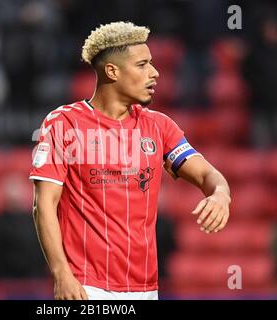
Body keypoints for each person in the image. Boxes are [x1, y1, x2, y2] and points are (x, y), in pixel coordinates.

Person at [29, 21, 231, 300]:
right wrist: (61, 274)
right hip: (85, 286)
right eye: (142, 65)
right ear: (112, 71)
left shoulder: (159, 126)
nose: (155, 73)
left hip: (145, 288)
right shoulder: (63, 124)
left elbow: (209, 176)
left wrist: (220, 194)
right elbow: (44, 205)